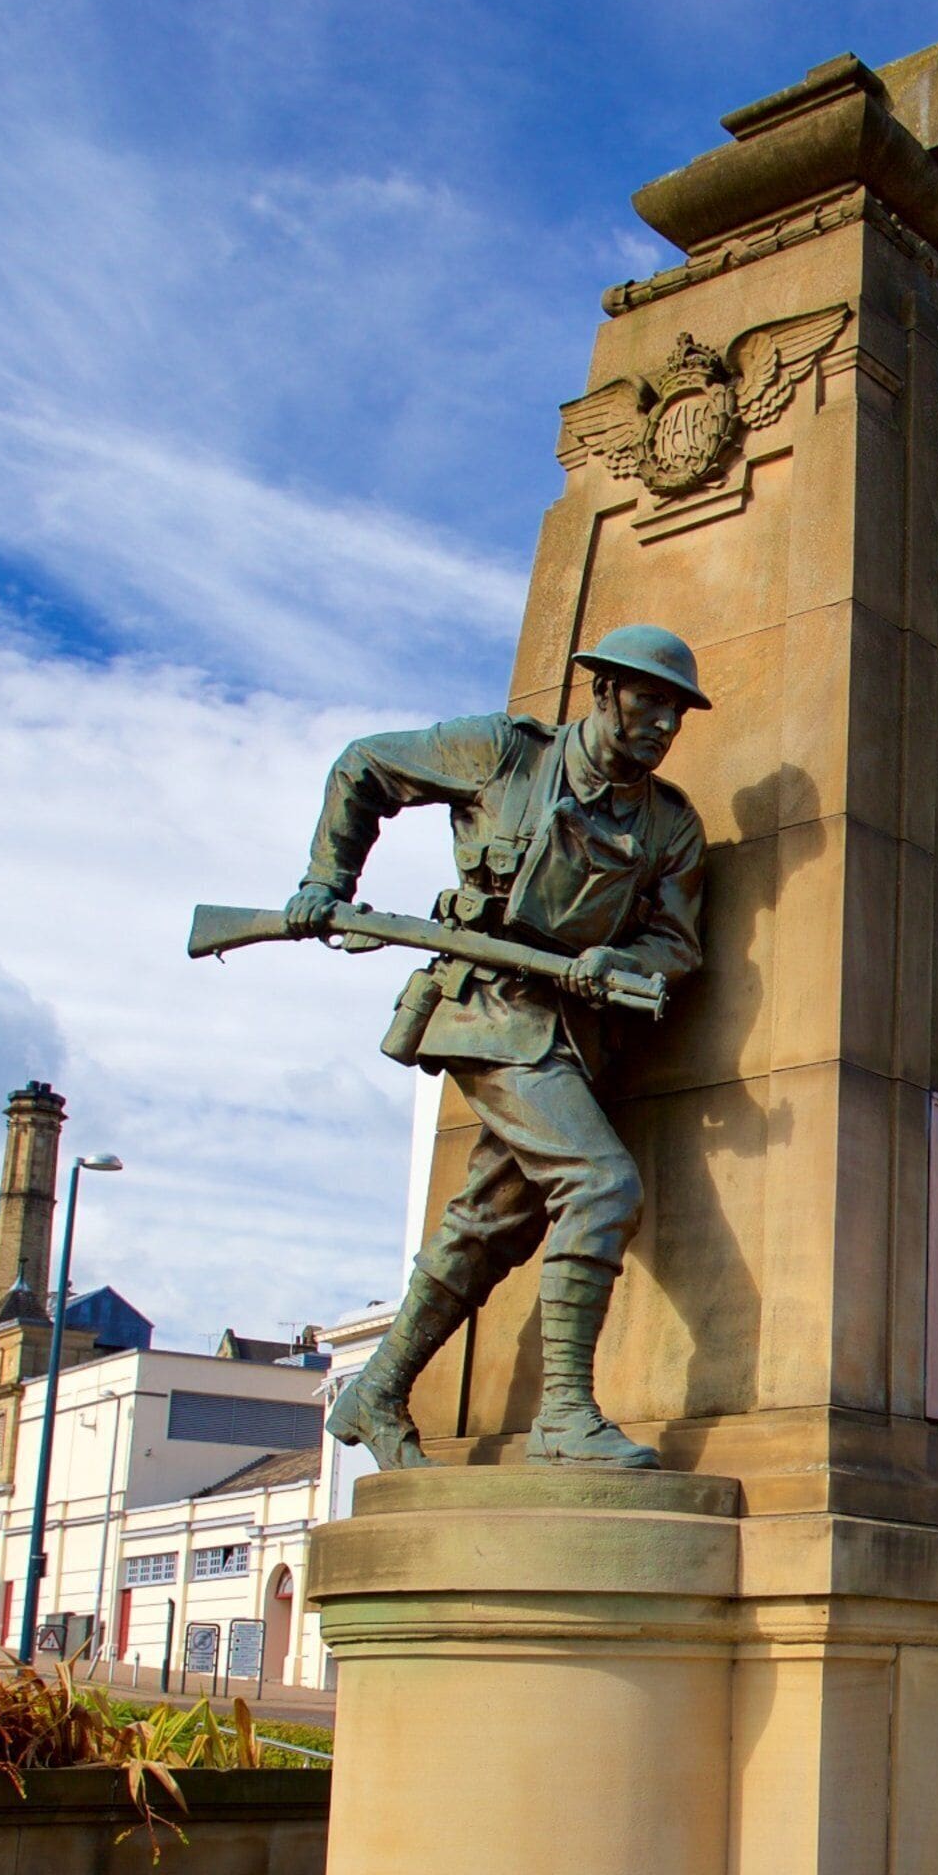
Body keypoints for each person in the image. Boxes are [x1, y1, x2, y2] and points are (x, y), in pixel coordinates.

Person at [286, 626, 711, 1471]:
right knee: (601, 1183)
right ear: (601, 692)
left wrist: (618, 961)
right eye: (648, 700)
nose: (663, 722)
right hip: (487, 1011)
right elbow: (362, 766)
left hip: (572, 1037)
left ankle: (377, 1389)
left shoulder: (670, 825)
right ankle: (562, 1416)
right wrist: (328, 883)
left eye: (676, 708)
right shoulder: (502, 754)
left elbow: (678, 944)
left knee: (489, 1224)